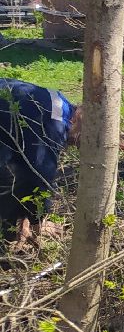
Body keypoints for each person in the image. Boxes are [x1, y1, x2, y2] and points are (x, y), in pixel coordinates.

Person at [0, 78, 80, 250]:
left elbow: (24, 161)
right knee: (6, 181)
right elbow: (40, 175)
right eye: (77, 141)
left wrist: (25, 218)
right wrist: (38, 219)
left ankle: (13, 228)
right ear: (80, 119)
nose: (72, 144)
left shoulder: (59, 101)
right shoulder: (54, 125)